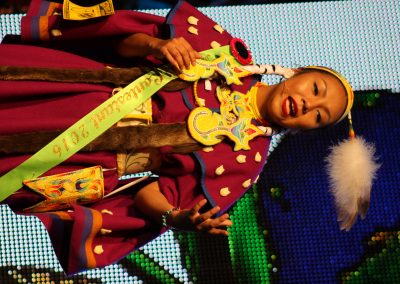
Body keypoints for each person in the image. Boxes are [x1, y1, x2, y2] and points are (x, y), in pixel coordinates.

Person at [0, 0, 354, 274]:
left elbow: (150, 196)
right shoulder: (223, 50)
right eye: (316, 88)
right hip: (79, 92)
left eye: (318, 116)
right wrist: (154, 45)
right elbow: (122, 44)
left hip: (83, 157)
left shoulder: (244, 164)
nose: (308, 104)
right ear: (299, 73)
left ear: (306, 129)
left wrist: (175, 218)